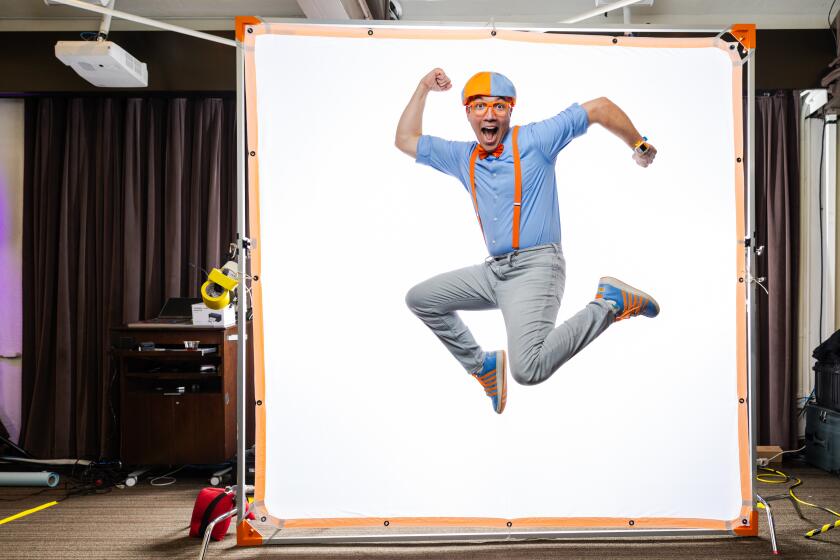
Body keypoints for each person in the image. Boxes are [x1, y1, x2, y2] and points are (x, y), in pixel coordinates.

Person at [395, 68, 659, 414]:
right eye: (480, 107)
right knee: (421, 299)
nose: (489, 114)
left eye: (499, 107)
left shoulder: (535, 140)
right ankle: (483, 367)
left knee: (528, 369)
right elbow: (405, 139)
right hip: (494, 274)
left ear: (509, 112)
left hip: (537, 267)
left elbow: (600, 108)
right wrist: (423, 88)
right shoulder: (463, 157)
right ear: (468, 114)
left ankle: (610, 304)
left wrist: (639, 145)